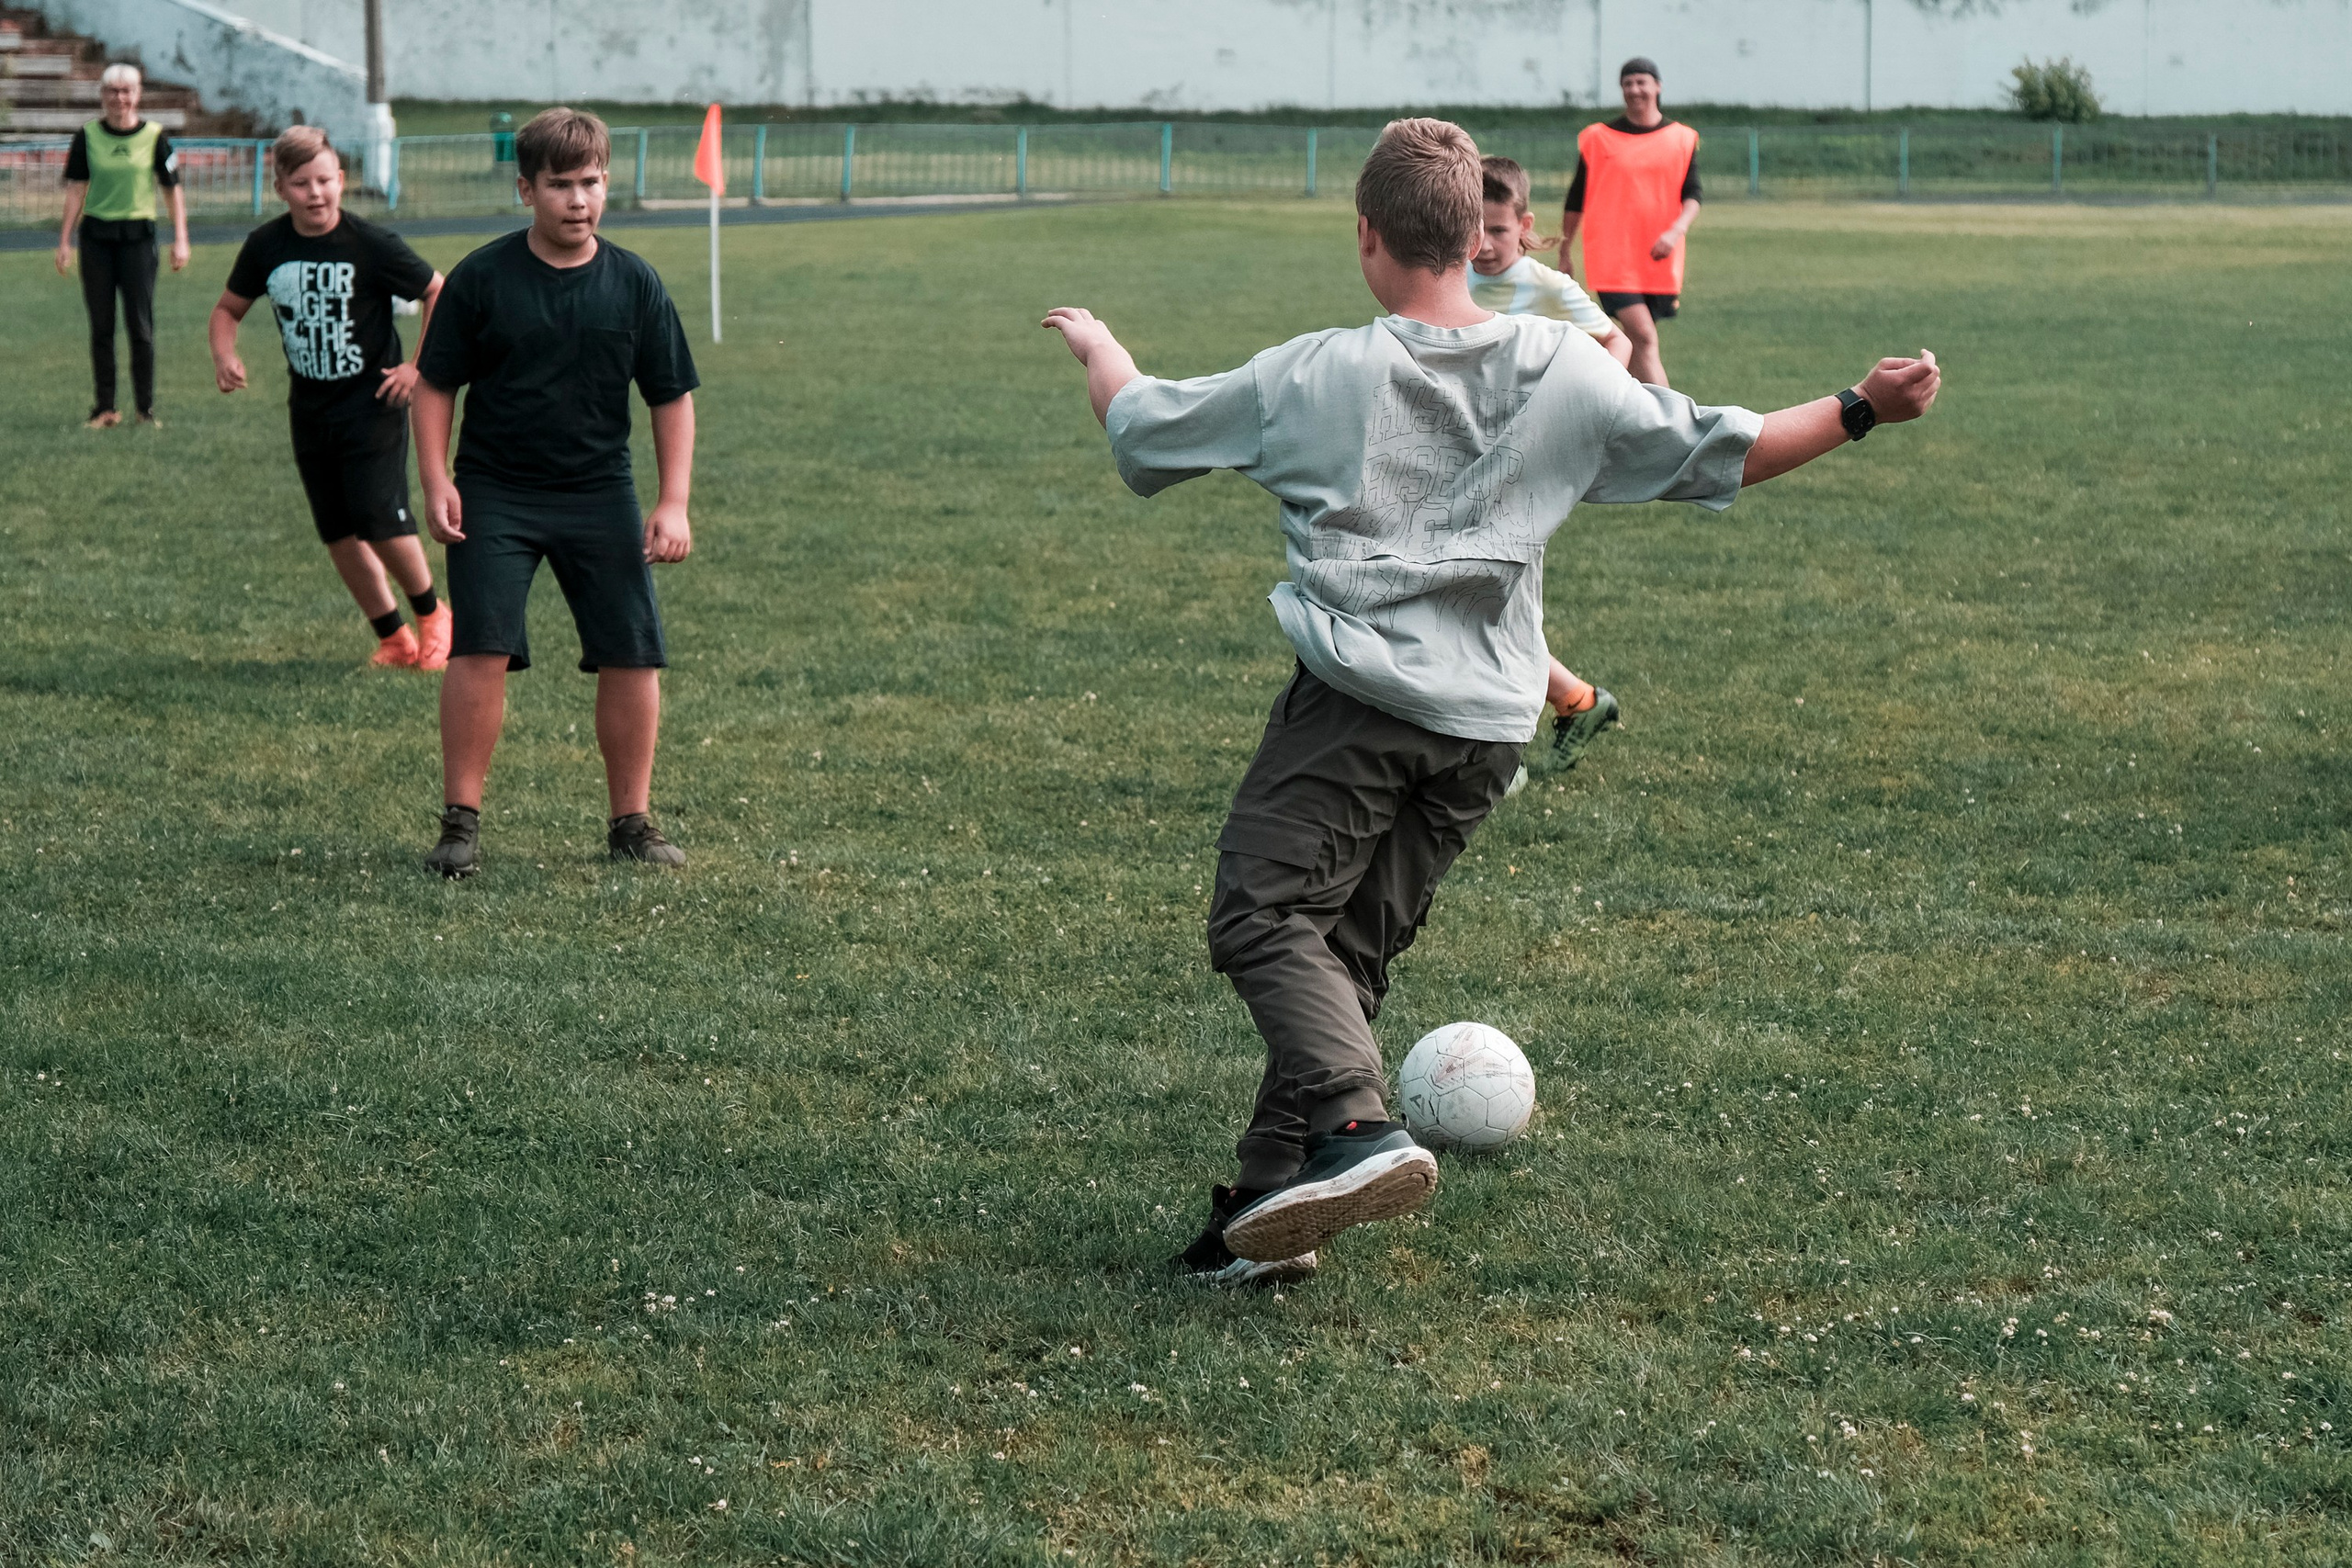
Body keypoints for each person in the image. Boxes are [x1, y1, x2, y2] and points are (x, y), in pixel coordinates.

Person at [1042, 118, 1938, 1283]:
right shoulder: (1568, 368)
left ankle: (1357, 1133)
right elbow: (1738, 447)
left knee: (1261, 918)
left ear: (1366, 237)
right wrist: (1863, 406)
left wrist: (1099, 345)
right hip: (1486, 733)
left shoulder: (1317, 372)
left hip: (1360, 709)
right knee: (1346, 956)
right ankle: (1267, 1211)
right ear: (1479, 238)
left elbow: (1141, 428)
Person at [411, 107, 699, 878]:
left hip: (599, 491)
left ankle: (631, 822)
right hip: (494, 492)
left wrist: (672, 501)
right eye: (562, 184)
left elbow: (670, 396)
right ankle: (460, 822)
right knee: (482, 647)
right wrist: (437, 481)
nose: (580, 199)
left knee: (632, 653)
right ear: (525, 189)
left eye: (593, 182)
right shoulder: (482, 276)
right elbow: (435, 385)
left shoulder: (635, 282)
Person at [209, 127, 453, 671]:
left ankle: (435, 614)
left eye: (325, 181)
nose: (316, 194)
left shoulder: (370, 243)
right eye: (301, 184)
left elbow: (439, 289)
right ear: (280, 188)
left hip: (374, 405)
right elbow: (227, 310)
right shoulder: (267, 246)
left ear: (341, 181)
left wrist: (418, 366)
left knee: (378, 518)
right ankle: (393, 638)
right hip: (311, 410)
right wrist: (225, 354)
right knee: (338, 530)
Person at [1470, 154, 1626, 783]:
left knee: (1479, 604)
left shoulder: (1548, 288)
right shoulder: (1446, 276)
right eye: (1470, 229)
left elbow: (1617, 343)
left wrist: (1579, 405)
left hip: (1523, 471)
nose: (1482, 244)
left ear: (1524, 224)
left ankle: (1495, 756)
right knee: (1482, 606)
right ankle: (1575, 700)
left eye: (1498, 231)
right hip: (1463, 462)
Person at [53, 62, 189, 429]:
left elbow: (172, 190)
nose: (120, 98)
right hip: (97, 240)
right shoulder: (87, 136)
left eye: (127, 91)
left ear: (138, 94)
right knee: (101, 327)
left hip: (138, 241)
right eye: (112, 91)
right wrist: (65, 239)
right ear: (102, 96)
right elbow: (76, 189)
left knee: (140, 328)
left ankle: (145, 411)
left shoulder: (156, 136)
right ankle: (105, 409)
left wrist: (181, 238)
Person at [1561, 57, 1700, 387]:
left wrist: (1676, 230)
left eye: (1641, 82)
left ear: (1657, 86)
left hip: (1659, 257)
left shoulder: (1682, 138)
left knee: (1634, 343)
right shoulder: (1597, 138)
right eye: (1628, 83)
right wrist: (1565, 250)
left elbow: (1693, 194)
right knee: (1644, 337)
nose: (1634, 89)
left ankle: (1613, 406)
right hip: (1612, 256)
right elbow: (1576, 198)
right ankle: (1672, 423)